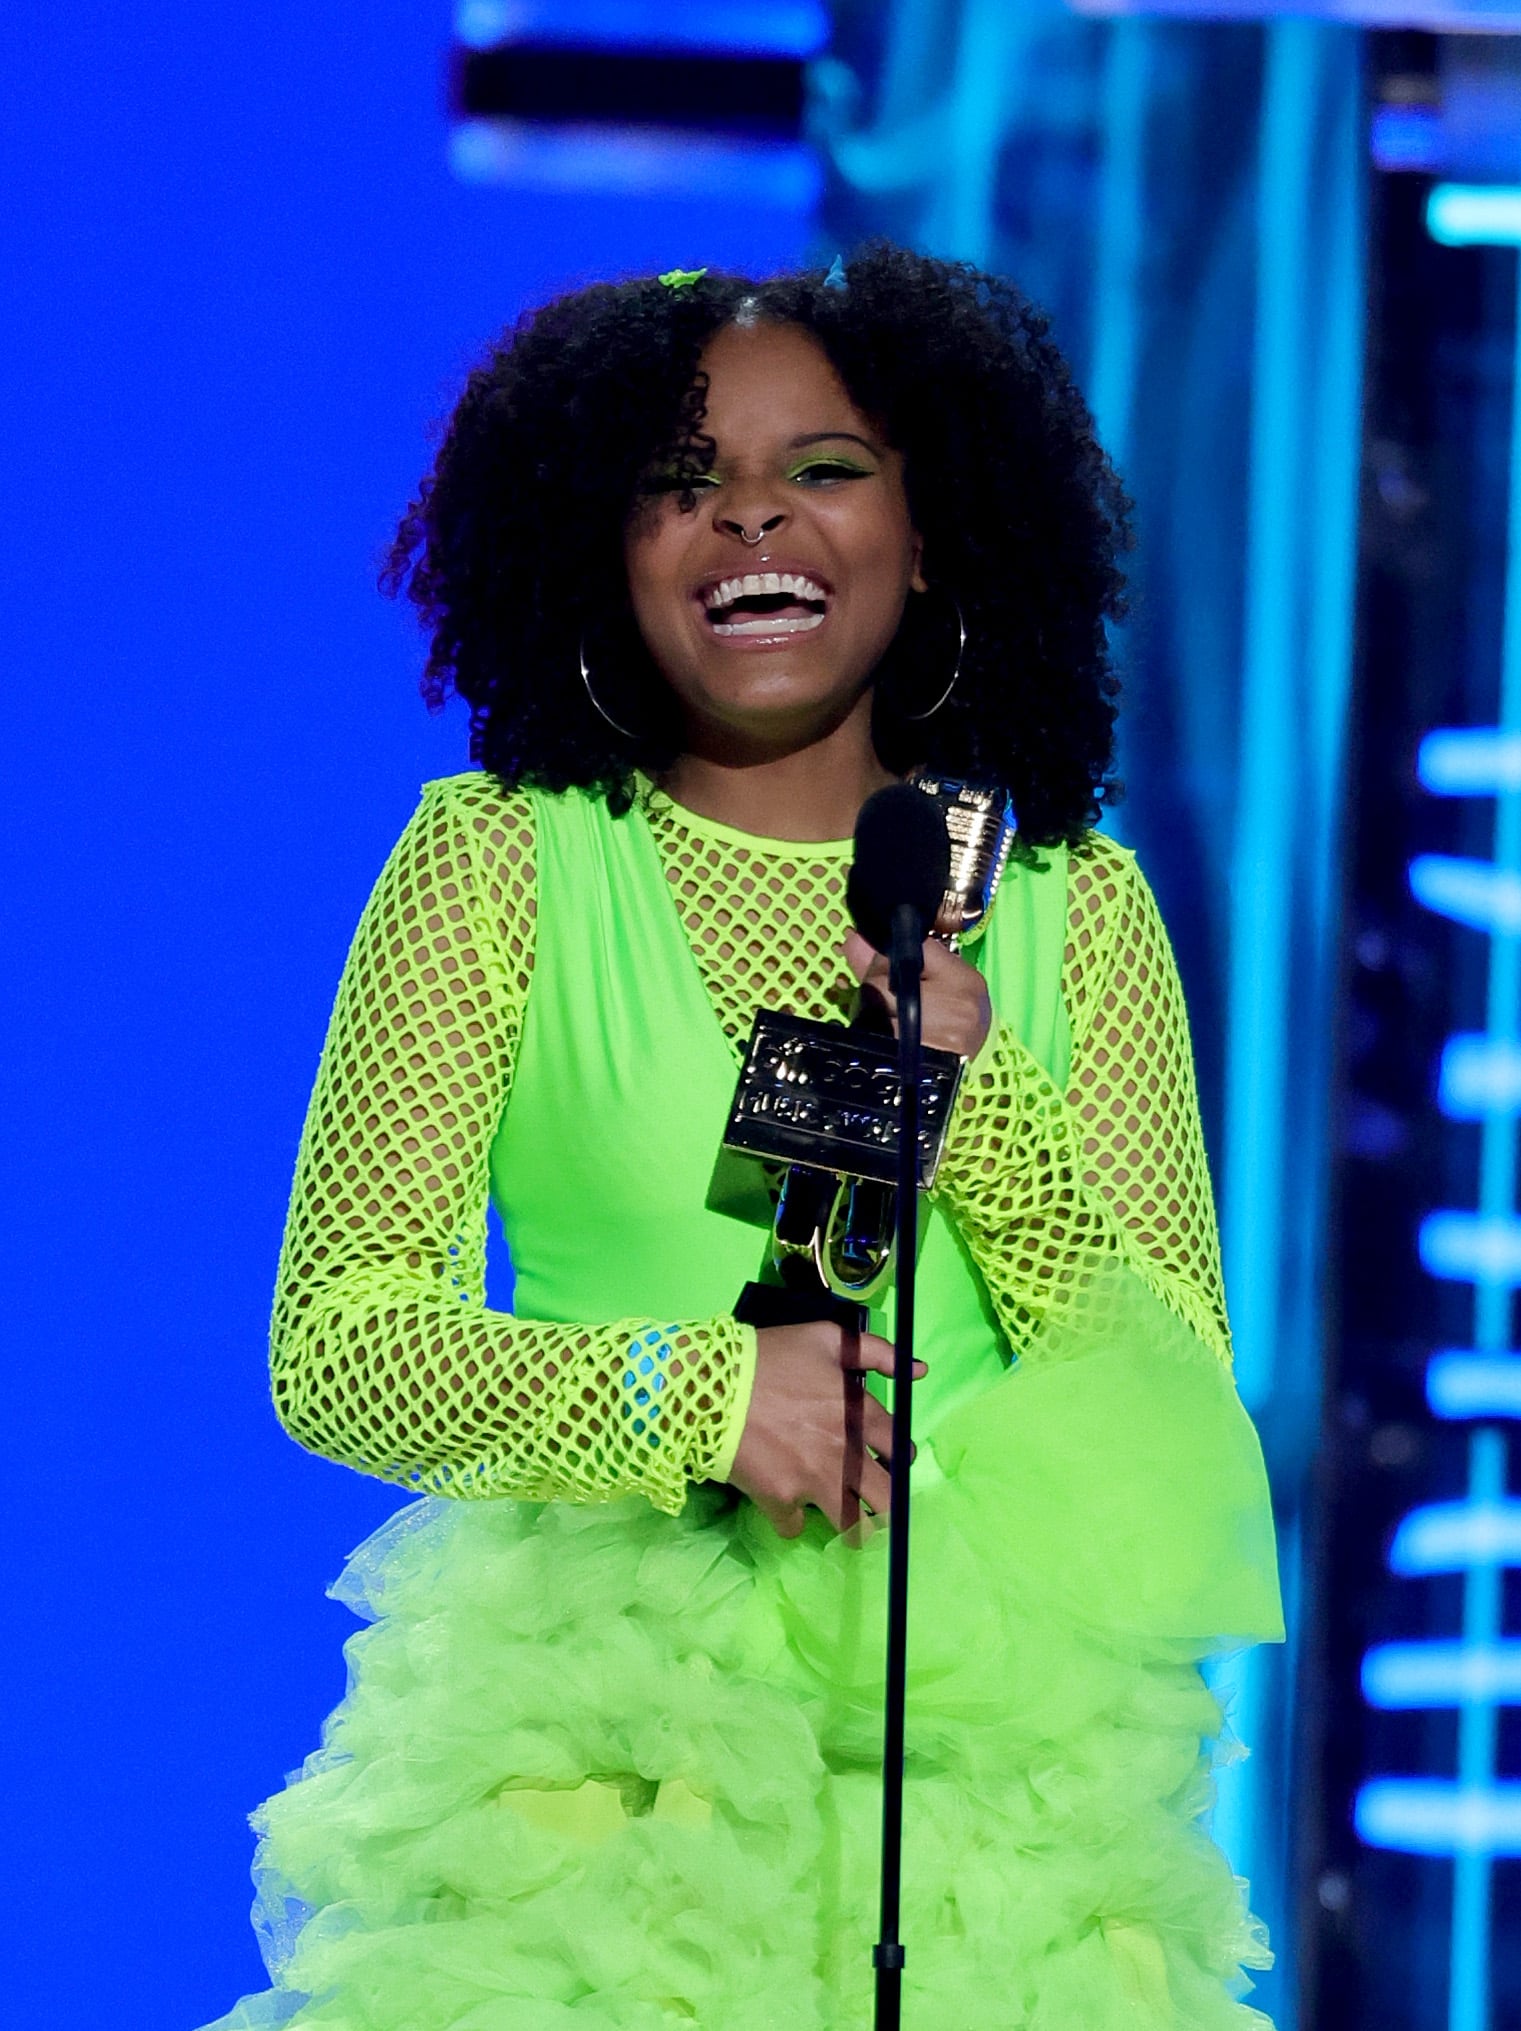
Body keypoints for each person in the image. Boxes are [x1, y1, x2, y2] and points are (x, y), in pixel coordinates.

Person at [203, 244, 1283, 2031]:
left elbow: (1171, 1405)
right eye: (680, 484)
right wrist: (697, 1401)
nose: (751, 522)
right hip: (593, 1784)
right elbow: (338, 1348)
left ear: (930, 533)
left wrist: (979, 1086)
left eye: (824, 471)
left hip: (984, 1805)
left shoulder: (1075, 908)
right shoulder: (498, 863)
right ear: (600, 548)